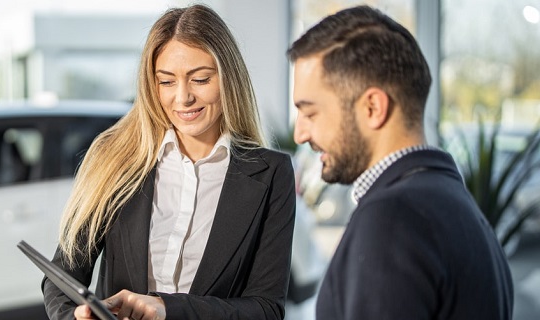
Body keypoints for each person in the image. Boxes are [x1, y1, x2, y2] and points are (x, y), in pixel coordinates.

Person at [42, 4, 295, 320]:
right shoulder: (115, 159)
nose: (183, 97)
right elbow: (60, 279)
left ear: (229, 77)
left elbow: (267, 310)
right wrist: (74, 317)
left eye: (200, 79)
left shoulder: (270, 175)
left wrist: (168, 309)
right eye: (166, 81)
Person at [288, 5, 513, 320]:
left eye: (311, 113)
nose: (300, 134)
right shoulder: (457, 204)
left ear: (372, 108)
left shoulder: (390, 220)